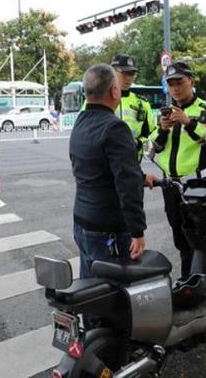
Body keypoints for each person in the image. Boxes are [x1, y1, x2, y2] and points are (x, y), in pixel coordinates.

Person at [70, 64, 150, 279]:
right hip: (109, 228)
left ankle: (88, 315)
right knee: (112, 294)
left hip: (82, 221)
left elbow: (94, 167)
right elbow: (127, 184)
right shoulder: (115, 127)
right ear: (115, 91)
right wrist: (137, 231)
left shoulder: (80, 122)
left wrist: (143, 178)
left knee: (91, 290)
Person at [149, 62, 206, 279]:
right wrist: (163, 131)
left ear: (191, 81)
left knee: (200, 235)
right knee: (179, 235)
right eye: (171, 84)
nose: (175, 88)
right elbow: (153, 149)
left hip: (197, 185)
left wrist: (188, 123)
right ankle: (187, 280)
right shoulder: (165, 113)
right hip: (171, 185)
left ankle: (204, 279)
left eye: (179, 82)